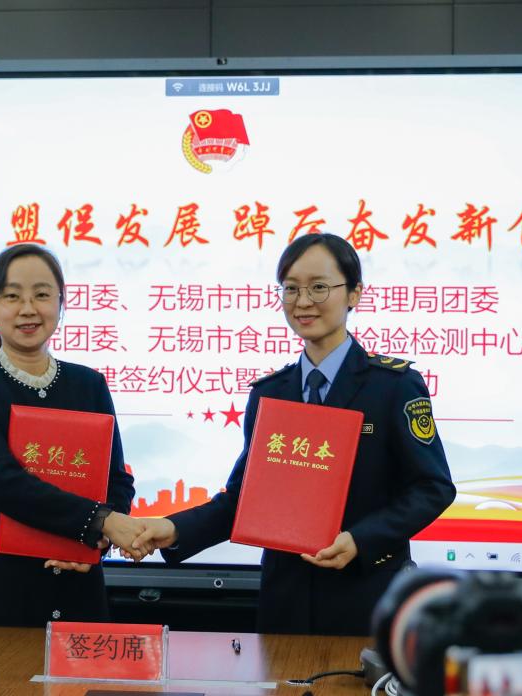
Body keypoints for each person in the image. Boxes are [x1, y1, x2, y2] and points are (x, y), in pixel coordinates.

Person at [132, 233, 457, 635]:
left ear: (354, 293)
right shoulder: (270, 393)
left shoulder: (393, 385)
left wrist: (361, 539)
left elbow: (432, 488)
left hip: (367, 596)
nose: (303, 302)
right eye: (291, 289)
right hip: (284, 603)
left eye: (319, 287)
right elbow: (245, 499)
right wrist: (174, 529)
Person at [0, 244, 142, 627]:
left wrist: (99, 541)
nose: (27, 309)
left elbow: (117, 480)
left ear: (60, 303)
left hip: (78, 588)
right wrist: (99, 522)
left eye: (41, 294)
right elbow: (1, 482)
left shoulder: (89, 385)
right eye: (12, 296)